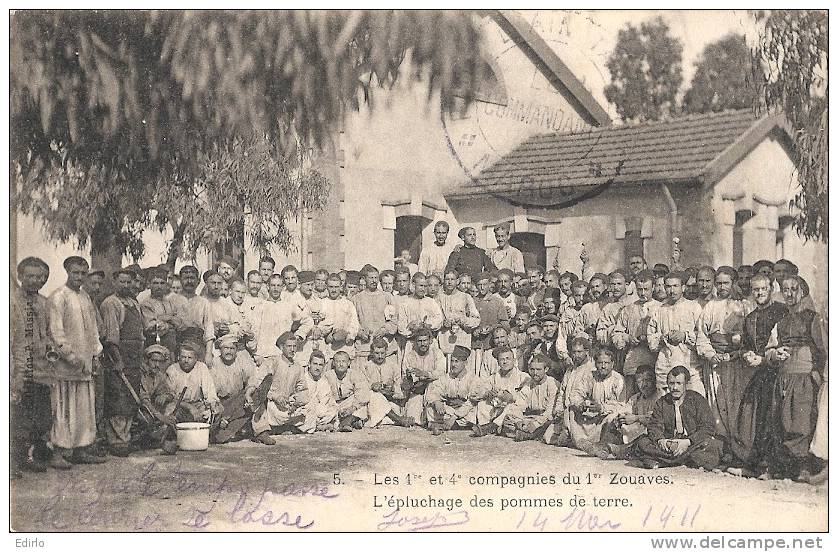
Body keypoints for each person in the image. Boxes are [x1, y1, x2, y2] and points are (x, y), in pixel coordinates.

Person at [764, 275, 826, 480]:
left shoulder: (813, 318)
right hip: (784, 378)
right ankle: (783, 467)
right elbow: (770, 349)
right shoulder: (780, 322)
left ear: (803, 292)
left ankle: (803, 468)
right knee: (782, 421)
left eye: (794, 289)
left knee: (802, 422)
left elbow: (823, 349)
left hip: (804, 377)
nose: (789, 294)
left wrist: (816, 374)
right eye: (785, 289)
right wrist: (775, 353)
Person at [47, 256, 105, 467]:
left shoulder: (85, 298)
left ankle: (81, 448)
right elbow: (56, 332)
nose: (79, 277)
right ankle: (59, 452)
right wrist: (70, 356)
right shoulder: (58, 297)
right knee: (63, 407)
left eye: (82, 273)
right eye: (75, 273)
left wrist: (96, 353)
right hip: (65, 365)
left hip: (85, 364)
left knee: (83, 407)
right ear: (67, 272)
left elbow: (93, 331)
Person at [733, 272, 789, 476]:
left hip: (780, 370)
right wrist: (747, 354)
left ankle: (773, 466)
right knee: (755, 415)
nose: (759, 293)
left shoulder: (782, 311)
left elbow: (785, 342)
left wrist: (765, 358)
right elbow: (747, 345)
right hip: (760, 372)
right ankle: (755, 462)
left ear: (770, 289)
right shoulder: (751, 318)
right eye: (755, 289)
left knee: (775, 417)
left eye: (762, 289)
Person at [697, 266, 753, 465]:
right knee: (717, 405)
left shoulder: (745, 305)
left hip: (736, 364)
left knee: (736, 404)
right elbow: (701, 336)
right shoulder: (710, 307)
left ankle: (738, 449)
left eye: (726, 283)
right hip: (715, 363)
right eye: (718, 283)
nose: (721, 287)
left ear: (734, 283)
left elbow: (750, 337)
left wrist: (735, 353)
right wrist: (711, 355)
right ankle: (721, 449)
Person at [629, 366, 722, 470]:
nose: (675, 388)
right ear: (667, 384)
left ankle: (662, 461)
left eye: (679, 383)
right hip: (670, 444)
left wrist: (688, 442)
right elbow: (654, 426)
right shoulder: (662, 402)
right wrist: (661, 440)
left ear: (686, 384)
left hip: (691, 445)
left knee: (712, 444)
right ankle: (683, 461)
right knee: (643, 442)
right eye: (671, 383)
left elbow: (708, 427)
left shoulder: (697, 399)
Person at [100, 267, 151, 457]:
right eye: (122, 281)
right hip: (118, 356)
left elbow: (140, 333)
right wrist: (117, 359)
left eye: (129, 282)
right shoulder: (110, 303)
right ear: (114, 283)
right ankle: (116, 440)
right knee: (118, 398)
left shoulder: (133, 302)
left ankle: (126, 437)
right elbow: (111, 336)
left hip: (135, 357)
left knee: (132, 398)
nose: (126, 285)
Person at [11, 257, 54, 476]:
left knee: (40, 418)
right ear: (20, 277)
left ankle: (30, 457)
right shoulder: (11, 302)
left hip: (41, 370)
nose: (36, 281)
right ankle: (12, 462)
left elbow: (47, 334)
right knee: (17, 419)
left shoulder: (44, 303)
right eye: (30, 276)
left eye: (40, 277)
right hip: (18, 369)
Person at [647, 272, 709, 396]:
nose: (672, 290)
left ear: (683, 288)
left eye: (675, 286)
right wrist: (664, 338)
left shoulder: (694, 307)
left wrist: (685, 336)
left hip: (690, 366)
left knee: (695, 401)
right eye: (668, 286)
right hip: (666, 365)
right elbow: (651, 340)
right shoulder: (659, 310)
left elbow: (703, 335)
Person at [247, 332, 312, 443]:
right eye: (289, 346)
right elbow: (259, 385)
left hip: (286, 405)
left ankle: (283, 428)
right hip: (271, 403)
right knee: (259, 399)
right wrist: (275, 396)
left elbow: (303, 390)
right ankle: (261, 432)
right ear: (281, 347)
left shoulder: (298, 367)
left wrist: (296, 402)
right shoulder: (272, 362)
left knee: (309, 408)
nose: (292, 349)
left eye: (294, 346)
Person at [566, 347, 626, 457]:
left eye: (606, 363)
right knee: (571, 410)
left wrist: (601, 407)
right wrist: (580, 404)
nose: (603, 366)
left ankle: (601, 446)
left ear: (612, 364)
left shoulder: (618, 379)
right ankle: (582, 442)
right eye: (600, 363)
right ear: (595, 364)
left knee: (613, 417)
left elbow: (621, 404)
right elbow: (576, 393)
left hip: (607, 414)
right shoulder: (590, 376)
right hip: (592, 414)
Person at [612, 270, 659, 398]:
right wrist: (627, 338)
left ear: (653, 287)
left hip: (653, 361)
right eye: (639, 289)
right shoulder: (628, 309)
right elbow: (617, 333)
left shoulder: (660, 308)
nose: (643, 293)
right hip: (633, 360)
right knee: (632, 397)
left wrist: (649, 338)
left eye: (646, 289)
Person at [544, 336, 595, 447]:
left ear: (586, 352)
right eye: (574, 352)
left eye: (579, 352)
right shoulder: (570, 370)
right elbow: (562, 392)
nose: (576, 355)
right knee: (548, 437)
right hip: (565, 412)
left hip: (580, 413)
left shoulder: (591, 370)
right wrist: (558, 409)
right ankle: (568, 435)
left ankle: (573, 436)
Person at [208, 334, 259, 443]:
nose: (229, 352)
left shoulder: (242, 361)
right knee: (219, 435)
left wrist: (248, 394)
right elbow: (210, 392)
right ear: (220, 349)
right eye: (226, 348)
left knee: (256, 396)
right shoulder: (214, 364)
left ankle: (259, 432)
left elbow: (252, 379)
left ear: (236, 350)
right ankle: (228, 428)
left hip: (238, 399)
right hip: (220, 403)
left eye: (232, 348)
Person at [494, 354, 557, 441]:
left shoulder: (552, 384)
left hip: (545, 419)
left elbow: (550, 412)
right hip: (531, 417)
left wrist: (535, 424)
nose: (535, 373)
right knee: (510, 413)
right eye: (532, 369)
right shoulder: (529, 383)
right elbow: (520, 403)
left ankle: (529, 434)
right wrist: (519, 421)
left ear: (546, 369)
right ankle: (524, 432)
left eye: (538, 369)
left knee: (548, 424)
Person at [424, 345, 484, 436]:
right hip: (450, 410)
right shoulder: (447, 377)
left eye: (457, 361)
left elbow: (470, 403)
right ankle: (450, 425)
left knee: (474, 411)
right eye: (452, 361)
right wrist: (437, 402)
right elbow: (434, 390)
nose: (453, 365)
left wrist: (454, 417)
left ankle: (446, 424)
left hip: (464, 412)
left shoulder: (473, 379)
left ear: (465, 362)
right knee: (430, 407)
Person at [473, 346, 529, 437]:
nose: (505, 362)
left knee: (511, 406)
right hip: (497, 409)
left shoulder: (523, 377)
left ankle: (492, 427)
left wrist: (512, 397)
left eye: (508, 358)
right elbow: (478, 391)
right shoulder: (494, 377)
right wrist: (487, 393)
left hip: (514, 410)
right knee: (482, 404)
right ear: (498, 362)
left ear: (514, 360)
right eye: (502, 359)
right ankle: (486, 426)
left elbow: (526, 399)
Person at [165, 341, 223, 424]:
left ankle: (207, 433)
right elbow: (171, 397)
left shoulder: (201, 367)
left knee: (217, 409)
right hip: (179, 405)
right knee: (169, 411)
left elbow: (209, 391)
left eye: (190, 358)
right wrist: (190, 408)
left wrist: (212, 404)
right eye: (183, 357)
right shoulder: (172, 370)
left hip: (197, 404)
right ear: (178, 357)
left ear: (196, 359)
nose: (186, 360)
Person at [350, 266, 398, 366]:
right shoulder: (356, 299)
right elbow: (352, 322)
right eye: (371, 278)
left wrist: (385, 330)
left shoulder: (387, 297)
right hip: (364, 348)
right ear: (364, 279)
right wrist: (360, 333)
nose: (374, 281)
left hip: (384, 348)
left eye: (376, 278)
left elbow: (394, 320)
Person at [609, 365, 662, 456]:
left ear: (654, 380)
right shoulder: (636, 397)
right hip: (641, 431)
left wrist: (635, 418)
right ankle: (604, 447)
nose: (644, 385)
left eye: (647, 380)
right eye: (640, 381)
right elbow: (625, 410)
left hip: (657, 433)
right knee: (614, 421)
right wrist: (622, 417)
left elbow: (655, 420)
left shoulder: (660, 396)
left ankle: (624, 450)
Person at [132, 343, 177, 450]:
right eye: (154, 361)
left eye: (160, 362)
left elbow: (170, 393)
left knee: (172, 406)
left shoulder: (158, 375)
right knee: (147, 419)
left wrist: (166, 396)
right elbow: (143, 400)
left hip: (151, 409)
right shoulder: (140, 374)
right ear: (147, 360)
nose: (157, 364)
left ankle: (160, 434)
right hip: (137, 408)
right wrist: (161, 417)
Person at [362, 337, 412, 427]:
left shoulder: (393, 366)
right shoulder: (366, 366)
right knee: (376, 396)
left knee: (387, 410)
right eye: (377, 353)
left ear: (386, 352)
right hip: (372, 401)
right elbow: (362, 387)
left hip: (390, 401)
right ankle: (398, 419)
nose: (380, 356)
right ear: (372, 353)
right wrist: (372, 386)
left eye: (382, 353)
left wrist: (392, 390)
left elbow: (399, 387)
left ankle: (377, 420)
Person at [401, 328, 446, 425]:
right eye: (419, 341)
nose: (422, 344)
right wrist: (409, 378)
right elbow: (406, 378)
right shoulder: (410, 356)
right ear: (415, 342)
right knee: (414, 420)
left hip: (433, 391)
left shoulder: (437, 353)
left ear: (430, 341)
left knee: (436, 417)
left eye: (425, 340)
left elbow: (441, 372)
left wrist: (425, 374)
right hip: (417, 392)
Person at [436, 268, 481, 363]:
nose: (449, 282)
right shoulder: (439, 297)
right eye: (447, 279)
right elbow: (435, 317)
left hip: (462, 338)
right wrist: (443, 323)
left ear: (457, 281)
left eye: (452, 279)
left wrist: (463, 320)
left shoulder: (465, 297)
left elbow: (476, 319)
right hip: (445, 338)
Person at [324, 351, 372, 431]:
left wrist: (352, 408)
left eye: (343, 361)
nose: (341, 364)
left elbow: (362, 393)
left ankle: (347, 422)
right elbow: (325, 394)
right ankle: (351, 422)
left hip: (350, 404)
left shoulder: (355, 374)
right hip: (334, 404)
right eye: (338, 361)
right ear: (333, 363)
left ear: (349, 363)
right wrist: (336, 408)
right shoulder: (327, 375)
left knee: (364, 406)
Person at [177, 265, 216, 365]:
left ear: (198, 281)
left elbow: (209, 328)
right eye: (186, 278)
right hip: (177, 344)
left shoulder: (204, 302)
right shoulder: (172, 300)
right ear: (180, 280)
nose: (189, 281)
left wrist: (208, 353)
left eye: (192, 278)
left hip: (198, 344)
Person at [140, 268, 183, 357]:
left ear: (166, 285)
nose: (159, 286)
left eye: (162, 283)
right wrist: (171, 323)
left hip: (171, 347)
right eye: (155, 283)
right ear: (150, 285)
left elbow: (180, 324)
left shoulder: (170, 302)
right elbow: (152, 327)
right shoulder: (146, 304)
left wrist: (165, 318)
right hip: (154, 347)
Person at [472, 272, 509, 374]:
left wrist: (493, 327)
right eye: (479, 285)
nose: (482, 287)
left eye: (484, 284)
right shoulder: (472, 301)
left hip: (491, 345)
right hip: (476, 345)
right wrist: (474, 330)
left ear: (489, 285)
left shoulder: (497, 302)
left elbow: (505, 325)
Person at [397, 272, 444, 350]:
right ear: (413, 285)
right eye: (421, 286)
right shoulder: (405, 303)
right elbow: (401, 326)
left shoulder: (431, 302)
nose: (423, 289)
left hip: (428, 343)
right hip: (411, 343)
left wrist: (427, 324)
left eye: (425, 286)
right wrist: (410, 327)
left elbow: (439, 319)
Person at [320, 273, 360, 361]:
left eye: (336, 287)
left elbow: (354, 325)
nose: (333, 290)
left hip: (345, 349)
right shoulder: (322, 303)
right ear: (326, 287)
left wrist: (346, 334)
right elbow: (318, 325)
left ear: (341, 287)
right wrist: (327, 335)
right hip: (328, 350)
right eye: (331, 287)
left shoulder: (348, 304)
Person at [301, 351, 339, 432]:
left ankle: (319, 425)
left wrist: (330, 414)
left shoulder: (324, 381)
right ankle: (318, 426)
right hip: (307, 411)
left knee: (332, 411)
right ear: (309, 364)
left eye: (320, 365)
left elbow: (332, 402)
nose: (317, 368)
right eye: (315, 364)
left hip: (320, 413)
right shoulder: (302, 379)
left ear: (324, 367)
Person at [574, 273, 609, 341]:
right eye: (592, 287)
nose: (595, 289)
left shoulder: (612, 305)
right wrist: (586, 336)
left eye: (597, 286)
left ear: (605, 286)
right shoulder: (587, 308)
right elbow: (578, 330)